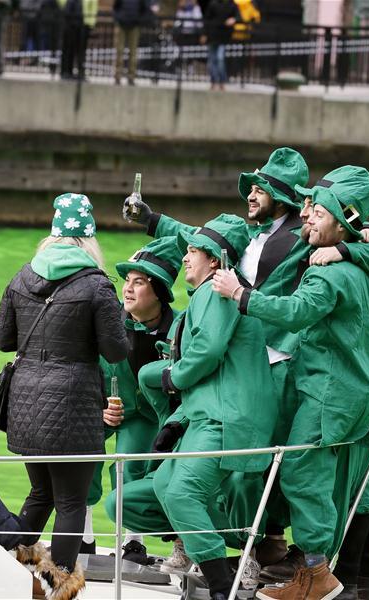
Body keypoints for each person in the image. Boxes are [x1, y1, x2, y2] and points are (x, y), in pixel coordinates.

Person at [122, 149, 369, 578]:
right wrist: (154, 220)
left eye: (262, 188)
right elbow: (203, 238)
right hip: (288, 371)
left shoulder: (303, 241)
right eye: (252, 186)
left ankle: (292, 559)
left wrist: (356, 242)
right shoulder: (253, 236)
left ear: (288, 198)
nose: (252, 193)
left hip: (285, 365)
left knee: (288, 465)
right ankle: (321, 566)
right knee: (281, 463)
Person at [213, 167, 369, 600]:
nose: (307, 216)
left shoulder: (326, 271)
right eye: (307, 208)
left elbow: (296, 312)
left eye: (318, 211)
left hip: (329, 392)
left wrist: (240, 295)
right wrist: (360, 244)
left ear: (341, 221)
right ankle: (353, 579)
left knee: (299, 470)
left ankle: (315, 573)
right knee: (354, 484)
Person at [0, 193, 128, 600]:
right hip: (74, 403)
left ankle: (5, 566)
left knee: (41, 494)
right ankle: (57, 589)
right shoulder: (97, 285)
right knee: (70, 501)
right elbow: (116, 351)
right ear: (89, 239)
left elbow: (1, 340)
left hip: (27, 402)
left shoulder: (22, 276)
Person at [150, 214, 276, 600]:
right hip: (208, 414)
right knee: (162, 482)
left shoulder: (215, 291)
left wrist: (174, 377)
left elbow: (207, 350)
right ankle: (235, 554)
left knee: (181, 494)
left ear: (215, 260)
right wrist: (178, 419)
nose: (185, 259)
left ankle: (223, 587)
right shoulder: (211, 293)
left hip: (225, 419)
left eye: (193, 251)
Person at [81, 236, 182, 563]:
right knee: (82, 451)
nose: (127, 289)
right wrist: (100, 409)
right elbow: (88, 370)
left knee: (128, 465)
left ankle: (133, 543)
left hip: (152, 417)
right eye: (127, 281)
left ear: (160, 292)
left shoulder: (181, 327)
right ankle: (83, 537)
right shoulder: (108, 322)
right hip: (107, 408)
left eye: (138, 282)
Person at [202, 0, 241, 91]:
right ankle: (214, 81)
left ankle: (222, 82)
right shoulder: (213, 4)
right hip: (212, 36)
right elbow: (207, 20)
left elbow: (239, 16)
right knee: (212, 60)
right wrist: (204, 34)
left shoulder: (232, 4)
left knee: (220, 59)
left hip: (223, 37)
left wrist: (234, 19)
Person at [113, 0, 152, 85]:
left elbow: (145, 9)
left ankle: (131, 77)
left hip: (135, 25)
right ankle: (117, 76)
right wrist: (118, 18)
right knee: (119, 51)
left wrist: (139, 20)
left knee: (133, 52)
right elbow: (115, 7)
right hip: (121, 24)